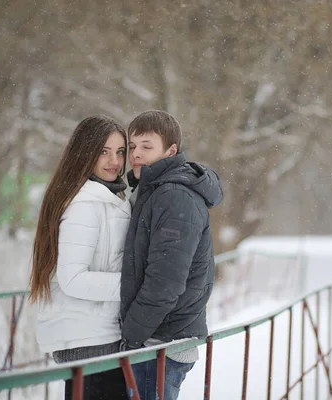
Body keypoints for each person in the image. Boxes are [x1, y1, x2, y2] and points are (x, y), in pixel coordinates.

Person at [119, 110, 223, 400]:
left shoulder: (174, 196)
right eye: (133, 146)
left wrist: (132, 335)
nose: (136, 154)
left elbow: (166, 281)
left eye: (147, 146)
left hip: (161, 343)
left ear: (171, 150)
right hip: (159, 338)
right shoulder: (153, 191)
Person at [29, 115, 131, 400]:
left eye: (120, 151)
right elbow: (72, 279)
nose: (114, 160)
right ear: (85, 153)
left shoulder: (107, 199)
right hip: (88, 338)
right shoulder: (85, 204)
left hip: (94, 334)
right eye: (103, 151)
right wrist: (133, 285)